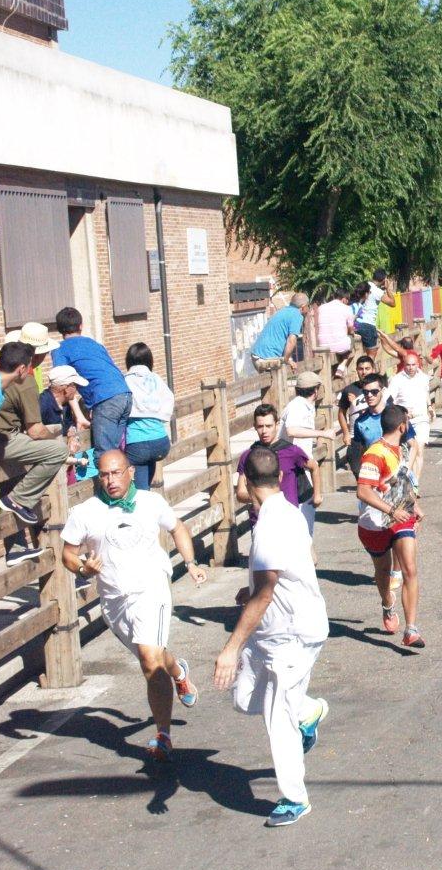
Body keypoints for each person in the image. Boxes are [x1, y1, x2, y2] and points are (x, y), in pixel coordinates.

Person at [62, 450, 206, 761]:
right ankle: (179, 671)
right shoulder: (85, 512)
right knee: (153, 656)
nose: (110, 480)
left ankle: (163, 735)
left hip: (151, 588)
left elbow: (178, 528)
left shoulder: (150, 502)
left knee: (147, 658)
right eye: (104, 474)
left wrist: (191, 562)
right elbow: (68, 554)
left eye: (116, 473)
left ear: (130, 472)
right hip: (114, 600)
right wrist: (83, 569)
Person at [215, 446, 329, 827]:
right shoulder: (289, 511)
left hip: (293, 635)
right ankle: (307, 711)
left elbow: (266, 593)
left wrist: (230, 649)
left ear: (246, 484)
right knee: (245, 698)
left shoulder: (268, 528)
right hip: (271, 634)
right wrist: (255, 591)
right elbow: (300, 564)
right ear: (279, 479)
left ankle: (295, 799)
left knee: (277, 718)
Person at [356, 404, 425, 646]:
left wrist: (412, 505)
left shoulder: (403, 449)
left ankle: (411, 629)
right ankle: (387, 603)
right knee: (383, 573)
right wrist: (391, 510)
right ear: (402, 426)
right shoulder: (375, 453)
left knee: (410, 570)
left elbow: (402, 482)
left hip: (400, 518)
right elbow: (363, 491)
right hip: (374, 522)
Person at [0, 341, 69, 535]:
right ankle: (18, 499)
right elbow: (36, 431)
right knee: (59, 450)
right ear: (21, 369)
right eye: (30, 367)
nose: (31, 371)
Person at [53, 306, 132, 453]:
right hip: (125, 394)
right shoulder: (94, 344)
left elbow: (63, 384)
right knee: (117, 452)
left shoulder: (60, 349)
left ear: (59, 329)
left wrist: (79, 416)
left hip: (105, 399)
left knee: (104, 455)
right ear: (81, 326)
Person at [236, 404, 321, 535]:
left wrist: (317, 495)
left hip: (289, 520)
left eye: (268, 426)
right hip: (260, 522)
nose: (264, 431)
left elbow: (314, 466)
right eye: (260, 426)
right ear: (255, 427)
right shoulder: (248, 456)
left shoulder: (291, 451)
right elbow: (240, 494)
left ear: (277, 424)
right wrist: (260, 498)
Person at [123, 344, 175, 491]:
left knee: (140, 492)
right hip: (160, 441)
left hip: (137, 443)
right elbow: (169, 399)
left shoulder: (126, 380)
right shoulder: (155, 378)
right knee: (146, 486)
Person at [251, 293, 310, 374]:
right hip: (267, 356)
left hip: (258, 353)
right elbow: (291, 340)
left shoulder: (284, 310)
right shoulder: (297, 315)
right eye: (308, 306)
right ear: (303, 307)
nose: (308, 308)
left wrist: (288, 360)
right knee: (276, 383)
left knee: (273, 383)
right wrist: (285, 360)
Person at [39, 364, 88, 457]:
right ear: (66, 388)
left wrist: (72, 436)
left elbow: (69, 426)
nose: (77, 390)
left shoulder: (66, 404)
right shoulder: (43, 404)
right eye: (75, 386)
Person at [338, 355, 376, 474]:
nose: (364, 372)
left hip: (375, 435)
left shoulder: (379, 388)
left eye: (367, 368)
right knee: (356, 469)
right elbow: (341, 412)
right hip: (356, 437)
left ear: (373, 369)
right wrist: (345, 433)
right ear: (357, 370)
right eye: (361, 369)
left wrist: (357, 402)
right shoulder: (349, 389)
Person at [356, 270, 396, 363]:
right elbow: (393, 303)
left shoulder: (363, 285)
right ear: (384, 279)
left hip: (356, 323)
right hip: (368, 324)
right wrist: (387, 288)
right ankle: (368, 376)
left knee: (359, 351)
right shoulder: (377, 291)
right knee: (372, 353)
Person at [315, 291, 357, 378]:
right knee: (351, 340)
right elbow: (350, 329)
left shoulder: (321, 308)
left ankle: (336, 371)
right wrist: (352, 333)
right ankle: (342, 366)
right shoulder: (347, 308)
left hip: (323, 345)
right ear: (344, 299)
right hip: (339, 346)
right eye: (347, 300)